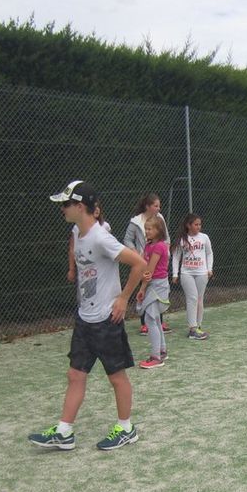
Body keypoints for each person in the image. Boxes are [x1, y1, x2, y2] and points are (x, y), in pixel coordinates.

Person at [29, 180, 147, 452]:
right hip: (85, 319)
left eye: (66, 204)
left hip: (107, 320)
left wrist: (123, 298)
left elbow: (139, 264)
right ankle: (64, 432)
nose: (62, 209)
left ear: (80, 206)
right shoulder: (77, 232)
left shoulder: (101, 238)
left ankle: (126, 428)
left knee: (116, 377)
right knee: (75, 375)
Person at [123, 193, 171, 335]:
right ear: (147, 206)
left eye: (159, 206)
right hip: (143, 260)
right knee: (145, 287)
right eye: (155, 206)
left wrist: (165, 252)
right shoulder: (136, 221)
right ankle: (144, 323)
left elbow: (166, 237)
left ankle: (158, 321)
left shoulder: (160, 218)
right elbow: (127, 240)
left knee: (157, 290)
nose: (158, 208)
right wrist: (137, 254)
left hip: (157, 259)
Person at [171, 213, 214, 340]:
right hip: (186, 273)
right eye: (196, 224)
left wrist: (209, 269)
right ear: (188, 225)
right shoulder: (182, 239)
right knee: (192, 298)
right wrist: (175, 274)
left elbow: (209, 253)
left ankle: (198, 326)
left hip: (202, 273)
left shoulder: (204, 237)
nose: (198, 227)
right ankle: (192, 329)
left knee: (199, 299)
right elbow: (176, 257)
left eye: (200, 224)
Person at [135, 216, 171, 368]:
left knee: (150, 320)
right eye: (146, 229)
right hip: (152, 285)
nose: (147, 231)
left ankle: (156, 357)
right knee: (155, 319)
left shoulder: (159, 246)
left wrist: (142, 288)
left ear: (159, 230)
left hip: (158, 286)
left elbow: (149, 270)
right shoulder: (149, 246)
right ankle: (162, 351)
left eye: (150, 229)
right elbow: (145, 267)